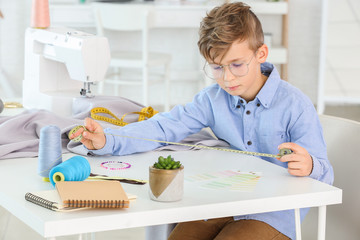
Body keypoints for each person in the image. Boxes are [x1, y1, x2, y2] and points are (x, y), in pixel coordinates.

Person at [71, 2, 333, 239]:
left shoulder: (295, 105)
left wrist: (310, 165)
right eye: (217, 67)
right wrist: (107, 139)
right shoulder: (212, 99)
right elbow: (163, 127)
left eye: (237, 65)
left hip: (275, 213)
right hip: (225, 201)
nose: (227, 78)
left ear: (261, 53)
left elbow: (325, 172)